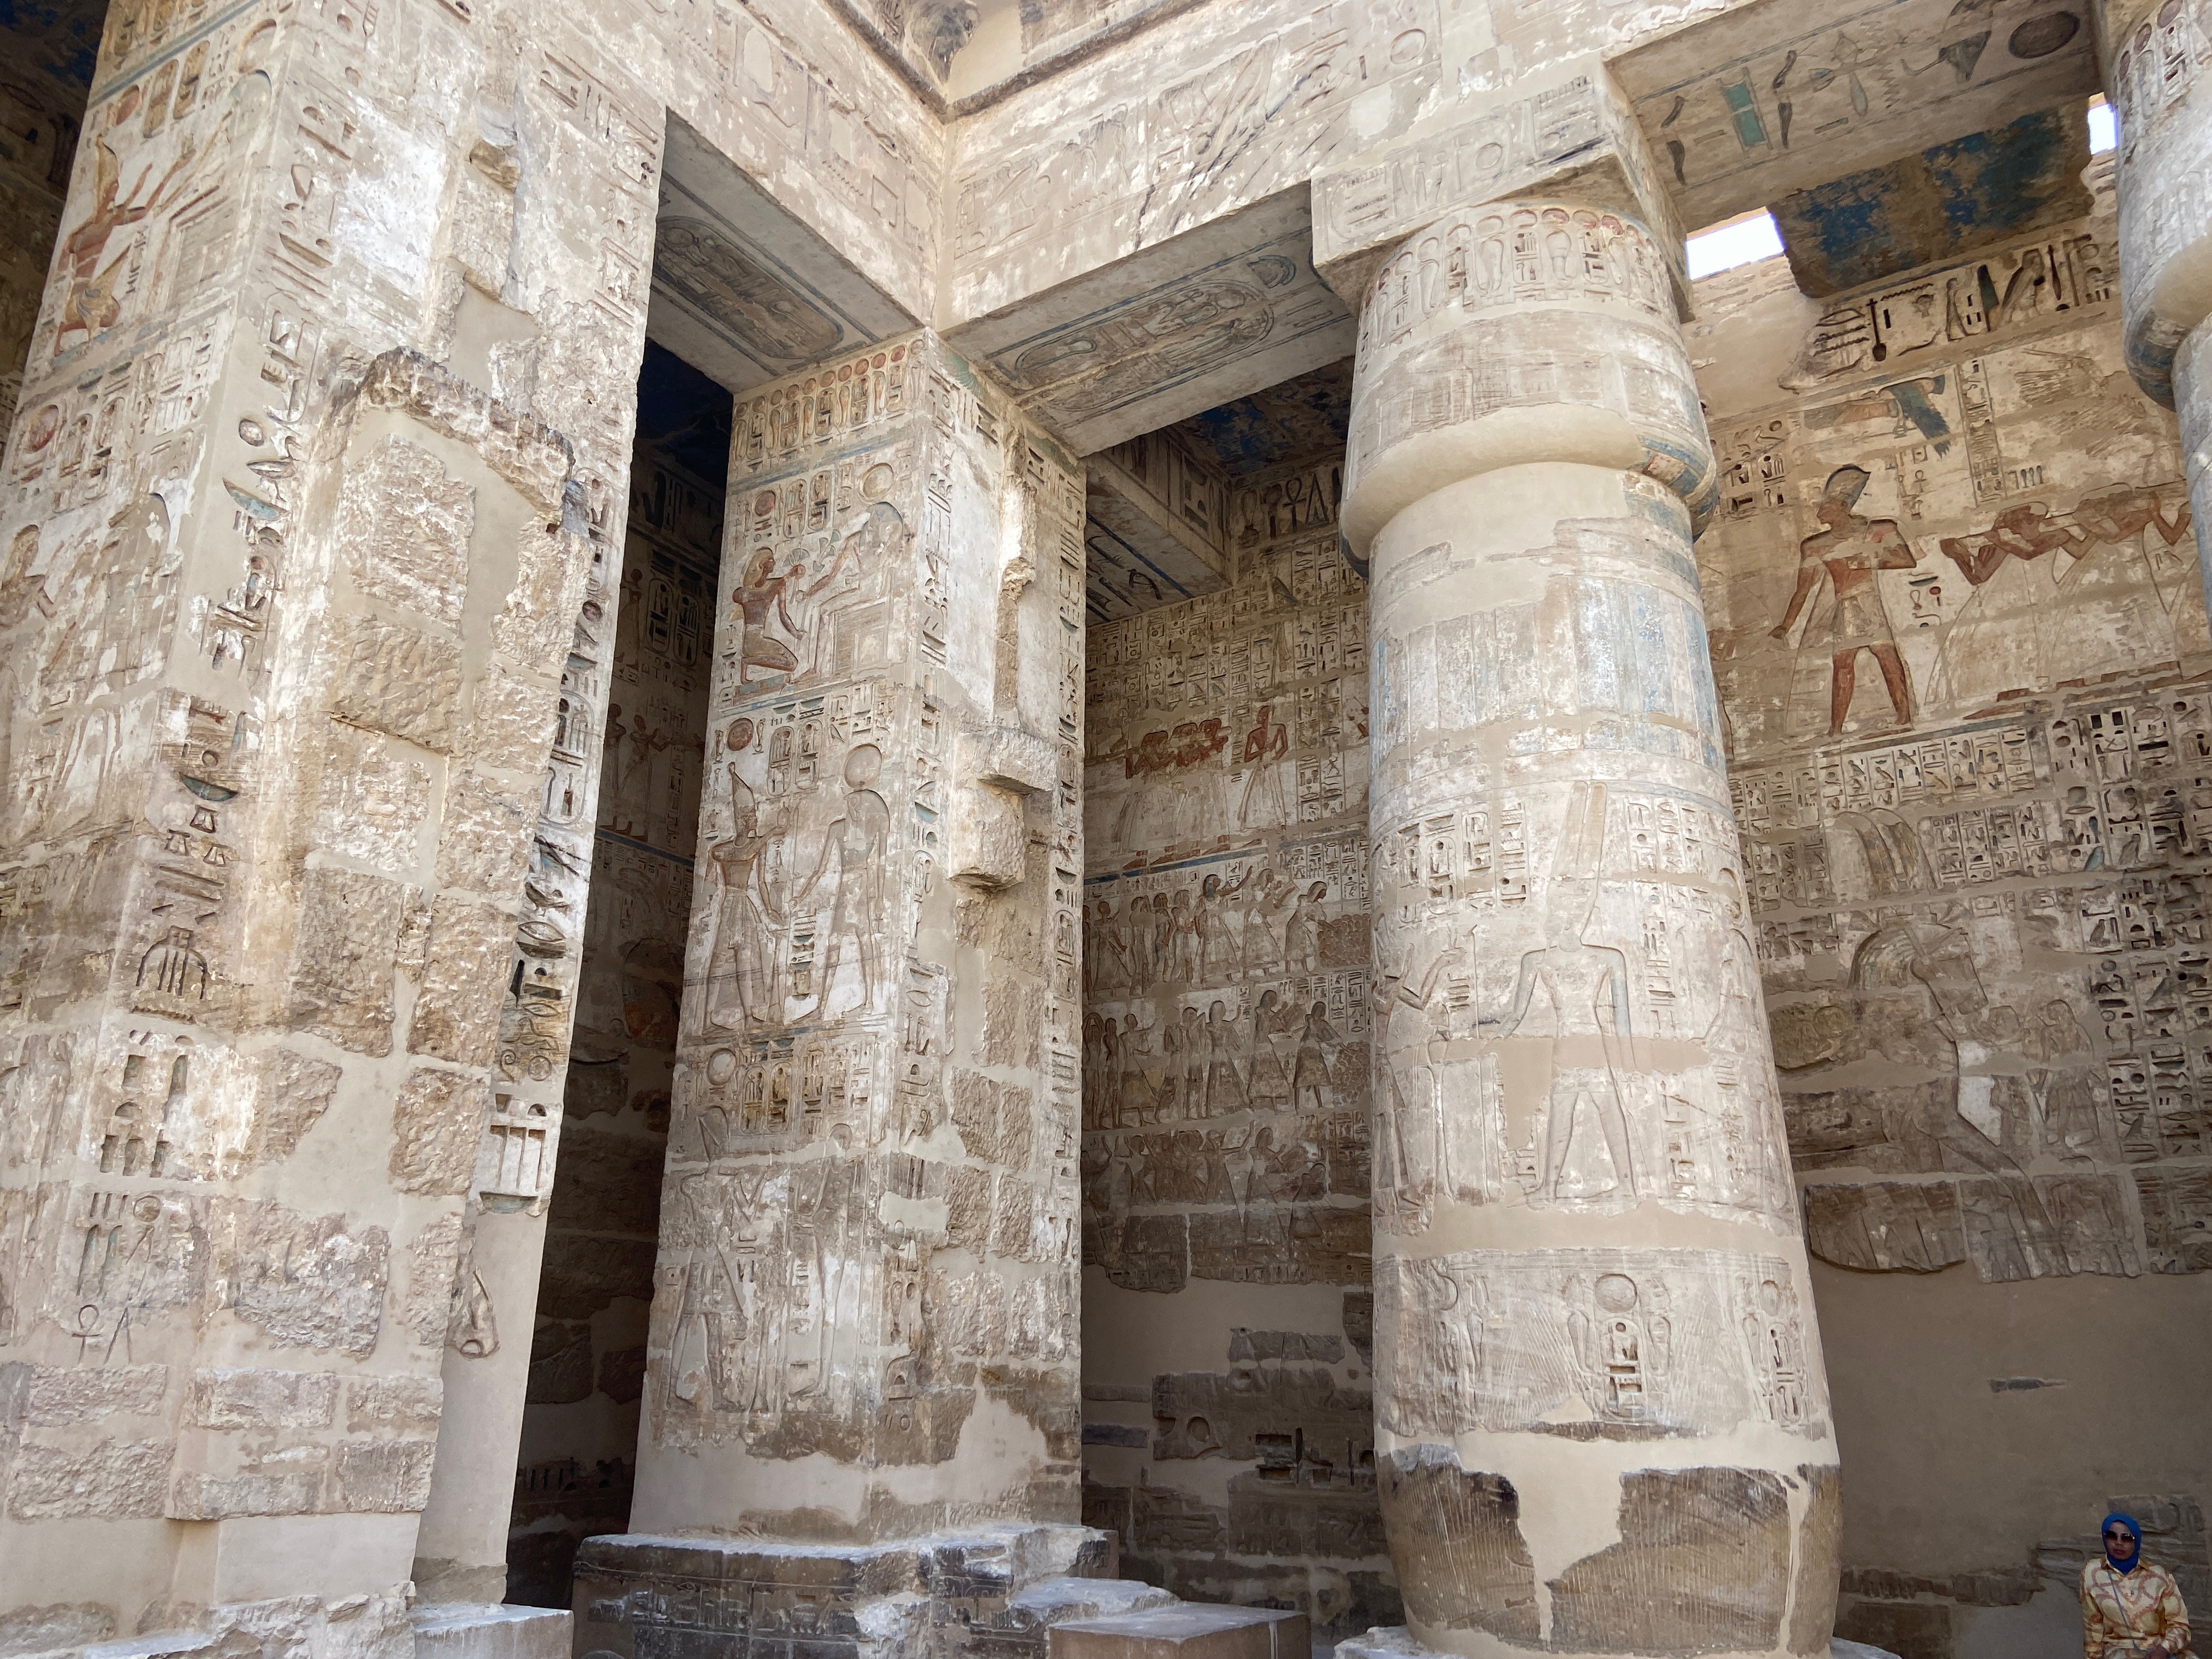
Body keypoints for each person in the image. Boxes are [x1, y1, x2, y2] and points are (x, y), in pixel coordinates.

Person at [2082, 1512, 2196, 1659]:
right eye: (2112, 1536)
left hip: (2160, 1649)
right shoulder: (2092, 1573)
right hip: (2119, 1650)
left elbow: (2180, 1625)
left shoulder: (2159, 1576)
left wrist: (2164, 1649)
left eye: (2126, 1538)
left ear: (2137, 1541)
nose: (2118, 1542)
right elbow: (2092, 1626)